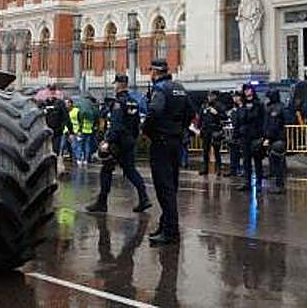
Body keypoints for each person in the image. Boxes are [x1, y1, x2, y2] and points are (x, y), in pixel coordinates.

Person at [86, 74, 152, 214]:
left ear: (120, 84)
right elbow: (135, 125)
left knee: (106, 170)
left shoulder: (118, 103)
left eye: (115, 83)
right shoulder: (133, 102)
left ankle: (102, 203)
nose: (114, 86)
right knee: (130, 170)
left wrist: (108, 142)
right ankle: (144, 197)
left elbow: (116, 125)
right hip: (129, 141)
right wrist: (133, 139)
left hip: (118, 142)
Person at [143, 58, 190, 246]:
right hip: (175, 142)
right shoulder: (180, 87)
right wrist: (178, 129)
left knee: (165, 189)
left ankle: (171, 232)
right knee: (172, 186)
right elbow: (190, 113)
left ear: (155, 72)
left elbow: (153, 112)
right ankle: (165, 225)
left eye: (151, 71)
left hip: (161, 143)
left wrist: (146, 131)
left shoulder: (160, 90)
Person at [235, 83, 265, 193]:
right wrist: (236, 135)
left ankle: (258, 183)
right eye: (245, 90)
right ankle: (246, 182)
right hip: (244, 136)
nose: (247, 91)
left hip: (255, 136)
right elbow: (238, 121)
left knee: (257, 161)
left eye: (249, 89)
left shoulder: (258, 104)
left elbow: (262, 120)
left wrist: (263, 136)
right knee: (246, 161)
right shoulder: (241, 106)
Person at [262, 89, 288, 193]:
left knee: (277, 162)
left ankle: (279, 185)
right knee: (276, 161)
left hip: (277, 138)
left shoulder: (275, 109)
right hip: (277, 138)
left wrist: (268, 138)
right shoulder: (276, 106)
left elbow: (273, 125)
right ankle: (278, 185)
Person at [199, 91, 224, 176]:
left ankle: (218, 169)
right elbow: (200, 118)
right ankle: (205, 168)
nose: (210, 97)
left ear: (215, 96)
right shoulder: (204, 106)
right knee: (205, 150)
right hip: (206, 130)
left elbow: (224, 116)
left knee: (216, 150)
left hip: (215, 130)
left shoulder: (219, 105)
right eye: (209, 96)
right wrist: (199, 128)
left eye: (212, 96)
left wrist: (216, 113)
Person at [226, 91, 243, 178]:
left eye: (236, 97)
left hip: (242, 133)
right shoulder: (233, 109)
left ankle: (240, 170)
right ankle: (233, 169)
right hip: (235, 133)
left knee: (242, 153)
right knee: (233, 152)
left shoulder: (242, 108)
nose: (234, 99)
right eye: (234, 97)